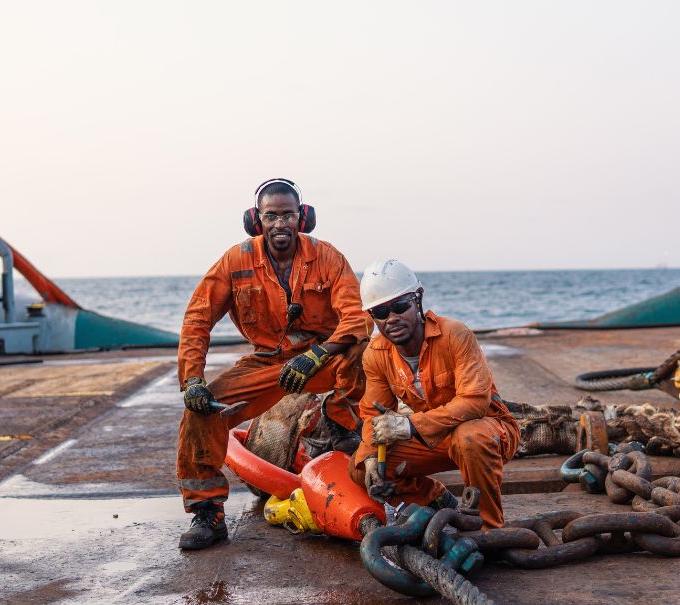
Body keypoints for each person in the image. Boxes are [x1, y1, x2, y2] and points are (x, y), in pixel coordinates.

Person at [176, 178, 369, 550]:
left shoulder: (326, 257)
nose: (280, 223)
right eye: (271, 216)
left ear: (303, 217)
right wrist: (192, 381)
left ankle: (344, 424)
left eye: (288, 214)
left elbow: (357, 317)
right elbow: (197, 320)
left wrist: (319, 354)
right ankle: (208, 513)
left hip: (321, 359)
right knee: (200, 412)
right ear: (256, 219)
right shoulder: (235, 261)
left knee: (365, 351)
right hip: (266, 362)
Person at [349, 259, 519, 529]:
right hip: (434, 436)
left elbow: (475, 402)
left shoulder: (454, 334)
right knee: (360, 469)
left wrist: (409, 425)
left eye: (400, 306)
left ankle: (489, 529)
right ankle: (439, 503)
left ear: (418, 299)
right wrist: (371, 458)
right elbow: (372, 414)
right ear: (372, 317)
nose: (391, 318)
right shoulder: (376, 355)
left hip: (488, 431)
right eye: (380, 311)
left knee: (470, 438)